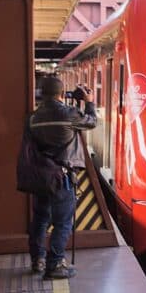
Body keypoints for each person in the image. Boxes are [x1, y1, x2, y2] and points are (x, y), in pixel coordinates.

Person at [28, 77, 96, 279]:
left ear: (43, 94)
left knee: (40, 219)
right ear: (61, 93)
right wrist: (89, 102)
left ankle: (37, 260)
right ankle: (55, 265)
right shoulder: (69, 114)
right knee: (63, 222)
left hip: (41, 176)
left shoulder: (33, 117)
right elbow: (92, 122)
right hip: (62, 176)